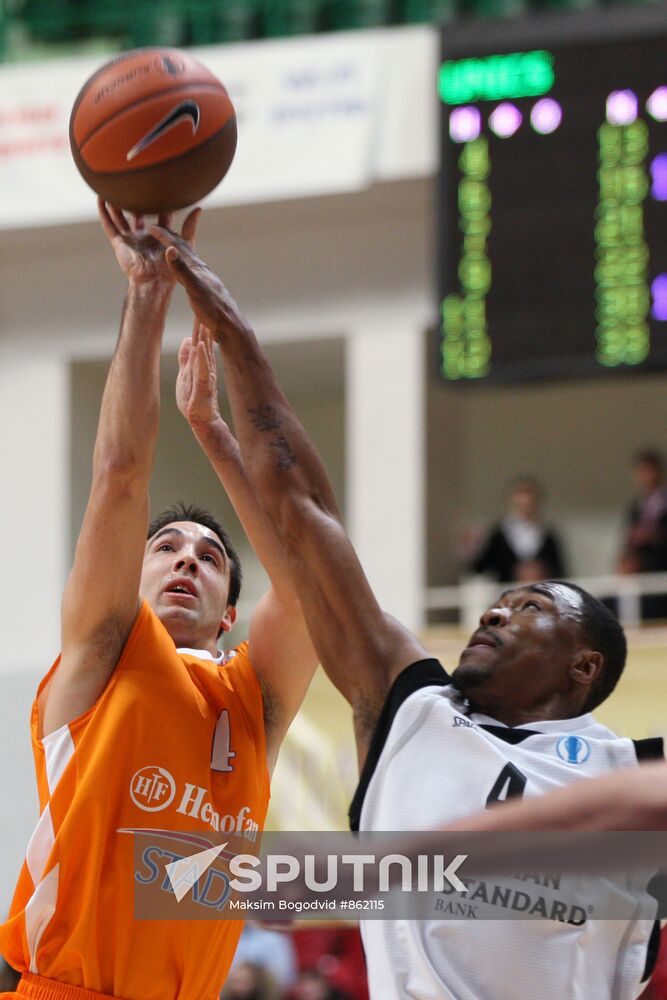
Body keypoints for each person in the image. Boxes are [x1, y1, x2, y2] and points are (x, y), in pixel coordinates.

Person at [150, 221, 663, 1000]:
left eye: (525, 606)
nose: (492, 615)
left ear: (583, 664)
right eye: (493, 603)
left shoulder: (631, 772)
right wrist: (236, 334)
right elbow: (303, 509)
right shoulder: (416, 709)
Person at [0, 203, 316, 999]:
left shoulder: (255, 703)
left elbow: (309, 590)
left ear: (227, 614)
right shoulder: (107, 649)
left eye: (209, 558)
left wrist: (213, 430)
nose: (186, 561)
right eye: (165, 549)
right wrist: (146, 295)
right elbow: (118, 473)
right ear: (132, 581)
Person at [465, 475, 565, 583]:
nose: (526, 500)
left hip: (539, 594)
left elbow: (559, 571)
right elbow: (480, 567)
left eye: (529, 494)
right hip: (509, 593)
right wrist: (472, 547)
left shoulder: (548, 535)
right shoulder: (499, 534)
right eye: (521, 494)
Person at [617, 449, 667, 619]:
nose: (646, 476)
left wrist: (654, 535)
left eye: (649, 471)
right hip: (642, 577)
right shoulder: (635, 507)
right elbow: (628, 540)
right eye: (641, 472)